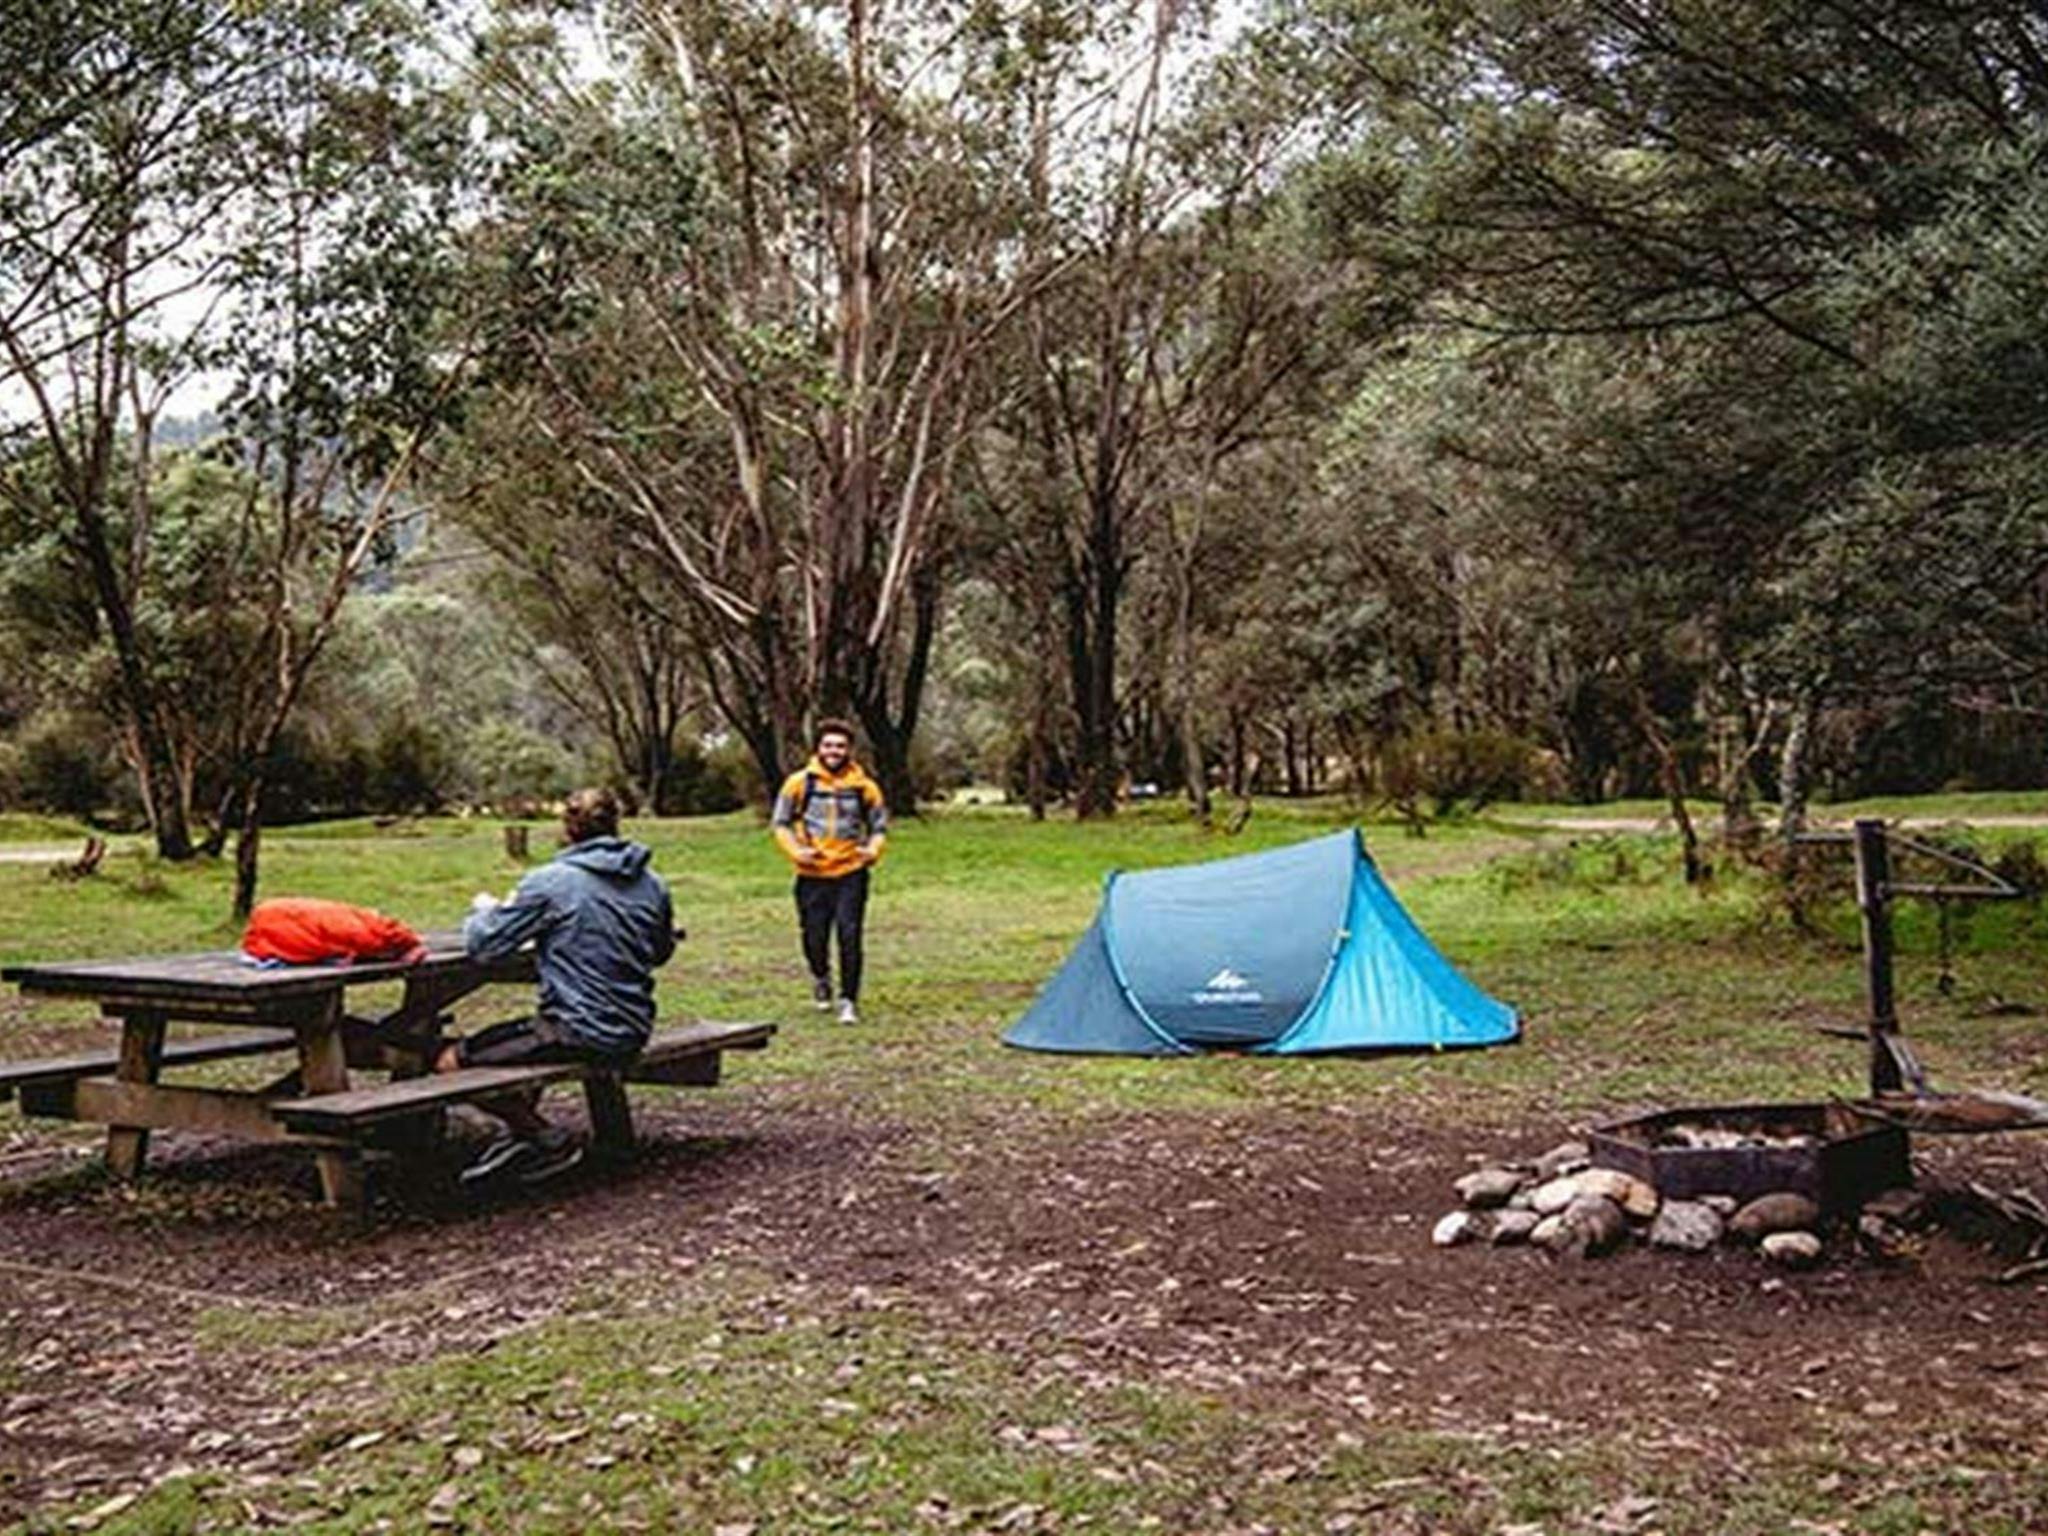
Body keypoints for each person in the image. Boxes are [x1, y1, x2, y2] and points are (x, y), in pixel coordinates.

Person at [438, 786, 676, 1184]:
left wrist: (486, 912)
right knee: (521, 1044)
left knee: (448, 1062)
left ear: (567, 828)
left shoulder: (550, 882)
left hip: (578, 1028)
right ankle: (521, 1137)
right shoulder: (652, 883)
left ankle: (544, 1138)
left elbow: (485, 945)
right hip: (634, 1026)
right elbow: (659, 952)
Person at [771, 720, 888, 1024]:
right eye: (828, 745)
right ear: (818, 748)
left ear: (849, 750)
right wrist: (796, 851)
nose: (834, 751)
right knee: (814, 936)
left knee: (850, 935)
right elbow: (780, 823)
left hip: (851, 872)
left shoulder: (866, 787)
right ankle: (821, 977)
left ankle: (849, 999)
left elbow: (879, 827)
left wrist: (872, 851)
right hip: (811, 874)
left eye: (840, 746)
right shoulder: (798, 783)